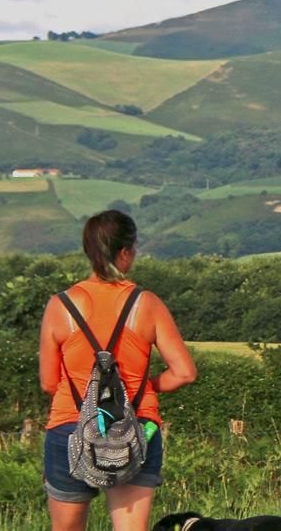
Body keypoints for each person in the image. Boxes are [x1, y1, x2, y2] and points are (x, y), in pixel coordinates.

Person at [40, 210, 198, 531]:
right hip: (136, 429)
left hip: (70, 427)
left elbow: (48, 382)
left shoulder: (61, 305)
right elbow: (184, 373)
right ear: (125, 252)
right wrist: (144, 385)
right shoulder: (146, 303)